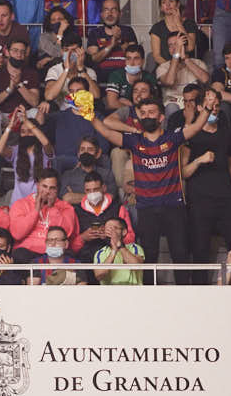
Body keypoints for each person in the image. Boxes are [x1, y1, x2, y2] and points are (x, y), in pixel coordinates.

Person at [89, 98, 212, 282]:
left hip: (174, 205)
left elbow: (195, 128)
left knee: (180, 253)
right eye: (143, 113)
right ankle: (149, 298)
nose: (147, 116)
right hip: (146, 208)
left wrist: (208, 108)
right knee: (149, 255)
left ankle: (185, 297)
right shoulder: (134, 140)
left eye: (151, 112)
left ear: (161, 117)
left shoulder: (172, 137)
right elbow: (107, 133)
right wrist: (90, 116)